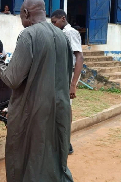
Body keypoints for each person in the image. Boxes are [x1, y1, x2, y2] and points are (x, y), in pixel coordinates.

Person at [0, 0, 74, 181]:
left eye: (21, 15)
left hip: (32, 110)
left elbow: (13, 79)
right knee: (53, 152)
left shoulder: (28, 35)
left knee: (26, 155)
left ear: (26, 13)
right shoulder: (62, 37)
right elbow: (67, 72)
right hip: (58, 107)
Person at [51, 9, 84, 155]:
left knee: (65, 108)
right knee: (60, 107)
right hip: (61, 75)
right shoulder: (61, 33)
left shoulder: (70, 33)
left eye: (54, 22)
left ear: (63, 19)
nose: (53, 25)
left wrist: (73, 84)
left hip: (68, 75)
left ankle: (66, 141)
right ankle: (61, 139)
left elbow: (79, 58)